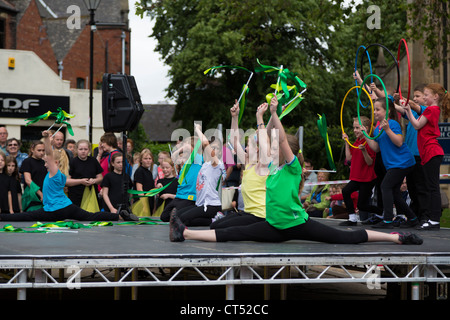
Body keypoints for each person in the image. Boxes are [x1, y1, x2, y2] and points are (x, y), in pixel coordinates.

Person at [169, 96, 423, 245]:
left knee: (344, 238)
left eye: (274, 146)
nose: (267, 147)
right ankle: (185, 231)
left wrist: (271, 114)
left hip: (296, 223)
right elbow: (253, 140)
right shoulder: (272, 168)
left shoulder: (290, 168)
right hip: (273, 225)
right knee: (233, 231)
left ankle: (395, 237)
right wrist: (258, 120)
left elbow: (276, 139)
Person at [0, 131, 125, 222]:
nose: (44, 163)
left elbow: (49, 153)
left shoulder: (54, 172)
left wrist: (47, 138)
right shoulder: (58, 175)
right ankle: (118, 216)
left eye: (46, 161)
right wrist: (81, 180)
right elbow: (68, 182)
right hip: (67, 207)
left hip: (54, 210)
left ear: (54, 163)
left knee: (26, 216)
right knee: (91, 216)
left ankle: (2, 217)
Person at [210, 99, 269, 229]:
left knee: (219, 228)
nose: (245, 149)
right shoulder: (248, 163)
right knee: (215, 225)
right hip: (248, 213)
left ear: (258, 149)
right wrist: (235, 117)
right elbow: (233, 140)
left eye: (248, 146)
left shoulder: (264, 165)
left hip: (260, 216)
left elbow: (264, 143)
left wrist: (259, 117)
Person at [361, 98, 419, 229]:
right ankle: (413, 218)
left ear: (387, 111)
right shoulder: (377, 128)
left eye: (378, 109)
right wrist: (365, 134)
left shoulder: (392, 124)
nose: (375, 112)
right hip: (394, 165)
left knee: (385, 186)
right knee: (394, 192)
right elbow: (376, 148)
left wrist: (387, 129)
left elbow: (399, 142)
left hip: (403, 162)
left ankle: (387, 220)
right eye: (374, 109)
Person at [402, 83, 450, 230]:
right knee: (430, 187)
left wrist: (409, 109)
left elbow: (416, 125)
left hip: (432, 152)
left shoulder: (431, 110)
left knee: (432, 188)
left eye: (426, 95)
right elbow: (417, 124)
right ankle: (432, 218)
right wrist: (408, 110)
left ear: (435, 97)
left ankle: (434, 219)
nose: (424, 97)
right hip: (429, 152)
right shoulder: (431, 110)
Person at [173, 124, 226, 226]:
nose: (213, 150)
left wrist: (197, 129)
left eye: (216, 148)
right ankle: (213, 220)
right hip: (200, 205)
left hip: (211, 205)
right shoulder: (203, 163)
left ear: (220, 152)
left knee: (182, 218)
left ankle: (216, 217)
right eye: (212, 147)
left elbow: (205, 144)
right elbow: (195, 150)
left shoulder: (217, 164)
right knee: (180, 217)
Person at [394, 84, 428, 222]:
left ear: (426, 98)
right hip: (411, 157)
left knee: (421, 188)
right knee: (412, 188)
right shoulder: (412, 112)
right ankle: (415, 216)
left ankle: (425, 216)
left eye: (418, 96)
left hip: (421, 155)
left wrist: (403, 99)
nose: (415, 98)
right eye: (414, 96)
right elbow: (397, 108)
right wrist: (391, 100)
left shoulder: (427, 111)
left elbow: (411, 105)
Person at [340, 116, 383, 226]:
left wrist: (364, 151)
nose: (355, 130)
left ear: (366, 128)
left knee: (362, 205)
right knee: (346, 191)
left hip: (367, 178)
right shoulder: (357, 141)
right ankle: (352, 218)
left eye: (357, 128)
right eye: (354, 128)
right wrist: (346, 142)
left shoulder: (369, 142)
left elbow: (369, 162)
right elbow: (349, 158)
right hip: (357, 177)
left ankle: (382, 212)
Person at [160, 137, 203, 222]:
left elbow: (189, 148)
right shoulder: (186, 163)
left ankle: (210, 218)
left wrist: (179, 150)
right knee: (164, 217)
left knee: (179, 218)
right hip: (179, 196)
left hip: (189, 198)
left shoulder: (198, 159)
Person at [66, 139, 103, 207]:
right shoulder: (73, 162)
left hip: (91, 194)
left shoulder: (93, 161)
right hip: (76, 195)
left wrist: (94, 181)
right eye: (81, 149)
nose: (83, 151)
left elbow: (100, 178)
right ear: (77, 150)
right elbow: (67, 181)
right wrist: (81, 181)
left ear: (89, 150)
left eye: (85, 149)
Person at [20, 140, 47, 210]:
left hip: (44, 195)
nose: (42, 153)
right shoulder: (27, 161)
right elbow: (28, 180)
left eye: (43, 150)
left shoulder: (44, 162)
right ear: (32, 150)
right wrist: (41, 194)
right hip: (32, 195)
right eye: (39, 150)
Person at [133, 148, 156, 214]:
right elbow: (139, 189)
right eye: (145, 159)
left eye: (150, 158)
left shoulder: (149, 172)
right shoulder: (140, 171)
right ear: (141, 160)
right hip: (142, 204)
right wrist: (144, 205)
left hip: (149, 203)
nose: (148, 161)